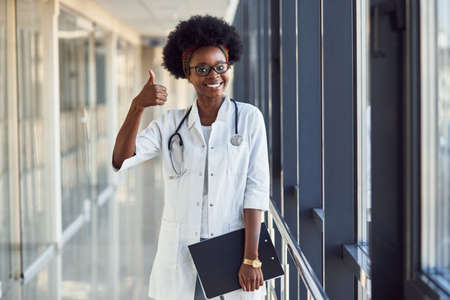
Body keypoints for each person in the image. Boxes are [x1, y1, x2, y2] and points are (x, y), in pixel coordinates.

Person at [112, 15, 270, 300]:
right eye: (203, 68)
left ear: (229, 66)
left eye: (220, 66)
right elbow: (121, 159)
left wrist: (251, 258)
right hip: (181, 252)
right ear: (188, 73)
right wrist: (137, 106)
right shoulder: (170, 124)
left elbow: (255, 190)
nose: (214, 75)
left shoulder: (248, 118)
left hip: (231, 250)